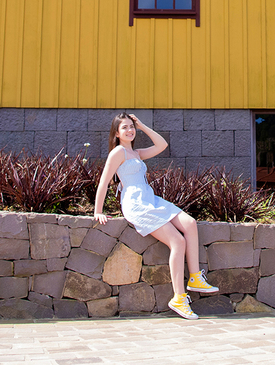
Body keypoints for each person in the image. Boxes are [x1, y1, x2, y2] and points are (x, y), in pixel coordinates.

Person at [93, 112, 218, 319]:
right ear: (116, 132)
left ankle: (195, 277)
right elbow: (104, 181)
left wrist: (142, 125)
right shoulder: (118, 152)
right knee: (177, 241)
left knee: (190, 223)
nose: (130, 130)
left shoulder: (137, 153)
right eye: (124, 127)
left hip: (150, 198)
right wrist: (98, 211)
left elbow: (161, 145)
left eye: (131, 127)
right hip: (136, 203)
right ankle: (179, 297)